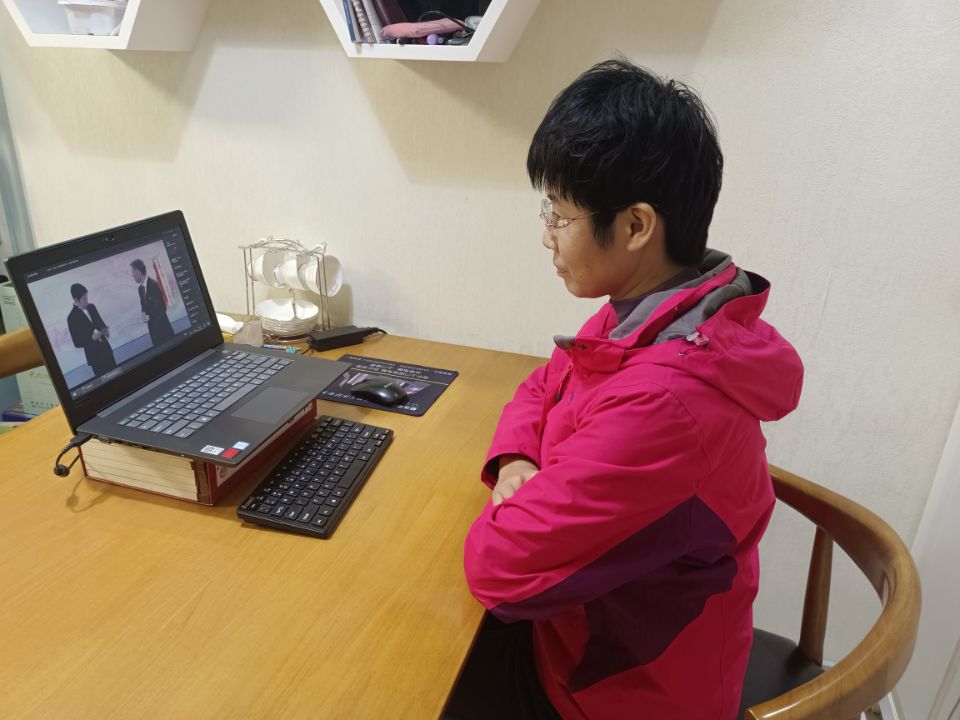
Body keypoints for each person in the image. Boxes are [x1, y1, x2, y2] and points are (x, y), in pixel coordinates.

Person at [450, 60, 804, 720]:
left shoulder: (667, 401)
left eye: (560, 215)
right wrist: (519, 461)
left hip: (618, 693)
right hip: (591, 634)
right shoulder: (656, 314)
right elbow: (541, 385)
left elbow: (498, 568)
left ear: (637, 226)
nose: (546, 237)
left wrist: (526, 501)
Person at [67, 282, 116, 377]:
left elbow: (101, 324)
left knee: (118, 376)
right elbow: (77, 343)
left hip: (107, 351)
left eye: (87, 297)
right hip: (95, 358)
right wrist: (92, 338)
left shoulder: (92, 307)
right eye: (84, 299)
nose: (87, 301)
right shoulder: (71, 318)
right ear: (76, 300)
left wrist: (105, 330)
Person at [131, 258, 174, 346]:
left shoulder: (154, 285)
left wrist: (149, 317)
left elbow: (162, 308)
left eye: (133, 272)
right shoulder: (140, 289)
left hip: (164, 332)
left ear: (138, 272)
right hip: (154, 333)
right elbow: (144, 306)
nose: (132, 275)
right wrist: (143, 313)